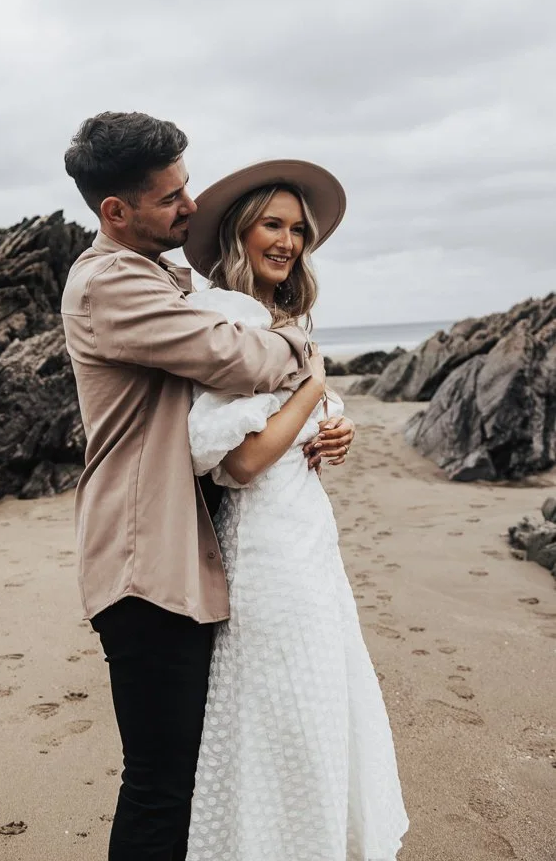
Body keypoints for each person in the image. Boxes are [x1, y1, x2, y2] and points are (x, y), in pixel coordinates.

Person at [60, 113, 355, 861]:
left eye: (188, 185)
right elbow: (238, 360)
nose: (190, 206)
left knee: (183, 780)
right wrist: (307, 358)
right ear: (114, 212)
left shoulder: (163, 279)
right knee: (159, 785)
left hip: (182, 554)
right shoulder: (109, 284)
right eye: (171, 196)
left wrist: (324, 417)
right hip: (145, 562)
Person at [182, 160, 410, 860]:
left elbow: (285, 431)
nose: (287, 241)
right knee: (286, 719)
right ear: (239, 232)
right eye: (272, 225)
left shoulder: (282, 318)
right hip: (267, 554)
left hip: (308, 538)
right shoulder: (222, 316)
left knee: (319, 710)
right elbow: (239, 461)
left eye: (297, 230)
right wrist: (314, 392)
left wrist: (332, 423)